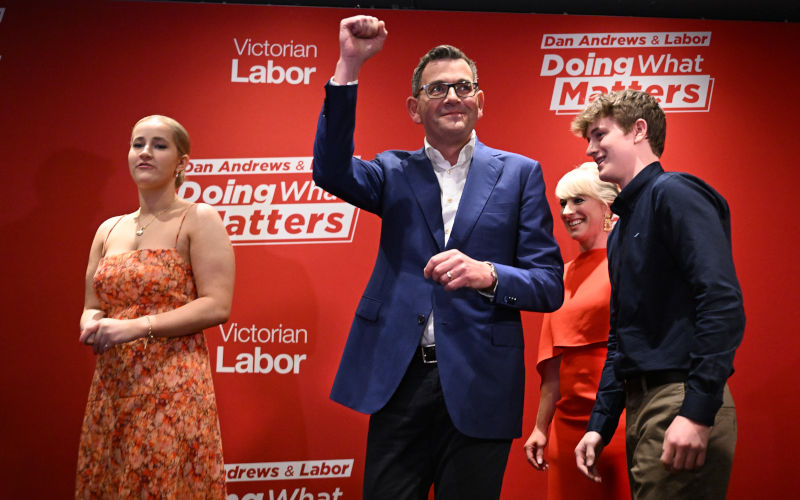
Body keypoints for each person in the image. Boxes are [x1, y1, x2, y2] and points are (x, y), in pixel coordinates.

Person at [312, 15, 564, 500]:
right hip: (400, 378)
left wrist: (486, 274)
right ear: (414, 107)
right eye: (437, 89)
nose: (452, 96)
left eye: (463, 86)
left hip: (480, 380)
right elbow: (330, 169)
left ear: (480, 100)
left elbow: (549, 284)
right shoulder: (391, 170)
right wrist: (350, 63)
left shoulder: (520, 174)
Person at [571, 90, 745, 500]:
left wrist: (698, 411)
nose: (591, 149)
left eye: (599, 135)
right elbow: (623, 336)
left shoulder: (675, 192)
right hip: (644, 404)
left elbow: (721, 301)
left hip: (680, 398)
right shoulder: (621, 229)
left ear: (639, 131)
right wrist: (600, 424)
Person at [76, 115, 235, 498]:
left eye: (159, 145)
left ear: (182, 162)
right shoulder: (108, 229)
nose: (145, 153)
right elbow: (92, 304)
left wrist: (134, 327)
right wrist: (92, 323)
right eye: (138, 144)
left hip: (173, 386)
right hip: (113, 385)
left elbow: (217, 305)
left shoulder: (198, 219)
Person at [523, 163, 629, 499]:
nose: (568, 212)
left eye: (578, 201)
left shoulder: (629, 265)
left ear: (605, 206)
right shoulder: (559, 276)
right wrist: (541, 427)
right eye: (563, 204)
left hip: (619, 425)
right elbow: (551, 369)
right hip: (565, 432)